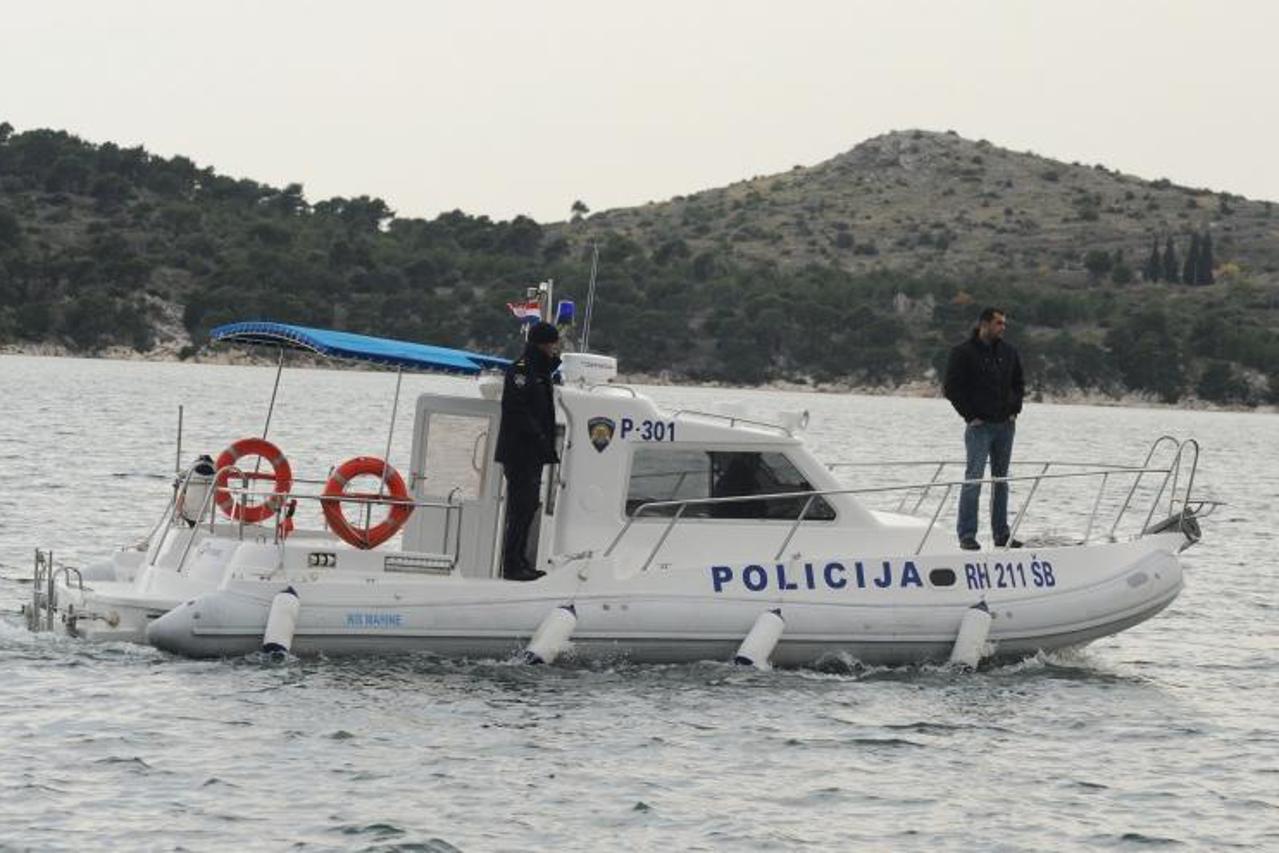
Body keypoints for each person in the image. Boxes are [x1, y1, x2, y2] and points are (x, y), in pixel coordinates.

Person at [943, 306, 1025, 551]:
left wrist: (1014, 409)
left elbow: (1019, 383)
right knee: (973, 480)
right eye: (999, 323)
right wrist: (970, 416)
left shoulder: (1009, 352)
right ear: (984, 324)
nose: (1003, 328)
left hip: (1005, 426)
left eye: (1004, 324)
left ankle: (1001, 533)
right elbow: (951, 388)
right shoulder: (963, 353)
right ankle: (967, 534)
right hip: (980, 426)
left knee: (1001, 481)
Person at [495, 321, 561, 581]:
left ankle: (520, 559)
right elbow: (516, 409)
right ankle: (512, 565)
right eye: (551, 344)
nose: (553, 349)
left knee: (529, 507)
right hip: (520, 451)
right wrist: (538, 435)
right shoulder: (521, 371)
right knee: (521, 508)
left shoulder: (540, 371)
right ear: (541, 344)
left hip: (533, 452)